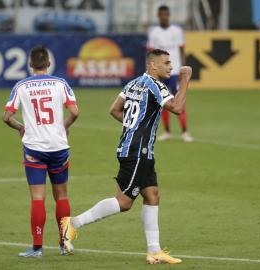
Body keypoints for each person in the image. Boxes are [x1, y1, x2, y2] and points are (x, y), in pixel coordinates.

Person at [60, 49, 192, 264]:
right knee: (124, 202)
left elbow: (114, 109)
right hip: (137, 152)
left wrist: (133, 127)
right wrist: (185, 79)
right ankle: (73, 223)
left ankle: (154, 251)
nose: (171, 67)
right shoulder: (156, 86)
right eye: (166, 63)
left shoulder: (133, 84)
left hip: (137, 151)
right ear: (153, 66)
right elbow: (176, 107)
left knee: (152, 196)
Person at [2, 45, 79, 257]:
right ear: (48, 63)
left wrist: (20, 127)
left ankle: (37, 248)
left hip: (34, 147)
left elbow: (7, 117)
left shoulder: (21, 86)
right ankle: (65, 244)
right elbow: (75, 111)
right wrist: (64, 126)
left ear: (30, 64)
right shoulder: (60, 83)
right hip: (59, 147)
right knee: (61, 195)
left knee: (38, 198)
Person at [147, 5, 193, 142]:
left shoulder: (176, 31)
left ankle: (185, 132)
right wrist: (150, 70)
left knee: (179, 100)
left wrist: (183, 69)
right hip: (161, 73)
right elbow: (150, 53)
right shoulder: (154, 32)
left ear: (169, 15)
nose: (164, 17)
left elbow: (182, 50)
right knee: (163, 102)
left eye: (166, 15)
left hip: (175, 70)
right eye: (161, 15)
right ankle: (167, 131)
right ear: (158, 16)